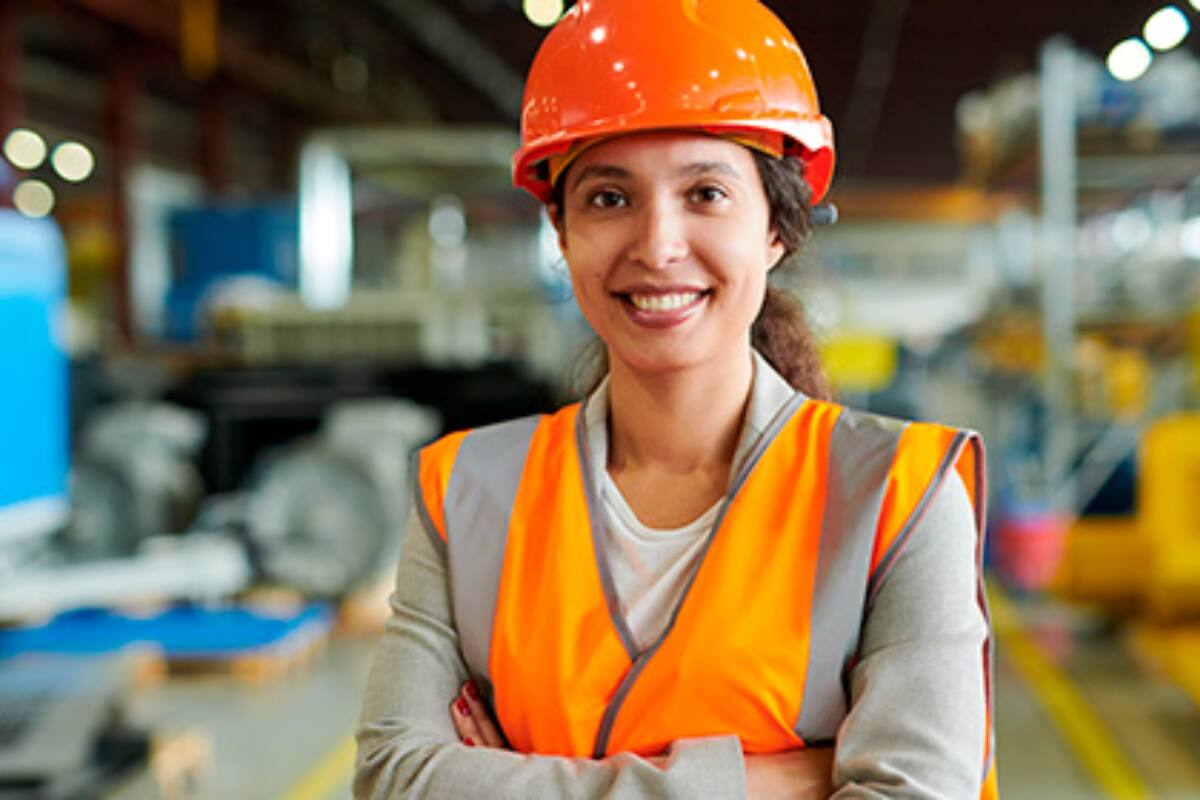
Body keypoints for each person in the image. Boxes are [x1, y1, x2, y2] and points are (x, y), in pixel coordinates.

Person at [355, 1, 998, 797]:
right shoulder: (465, 494)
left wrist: (516, 779)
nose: (658, 247)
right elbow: (394, 781)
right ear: (560, 230)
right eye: (609, 198)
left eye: (706, 194)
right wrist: (776, 781)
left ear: (776, 228)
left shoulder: (900, 496)